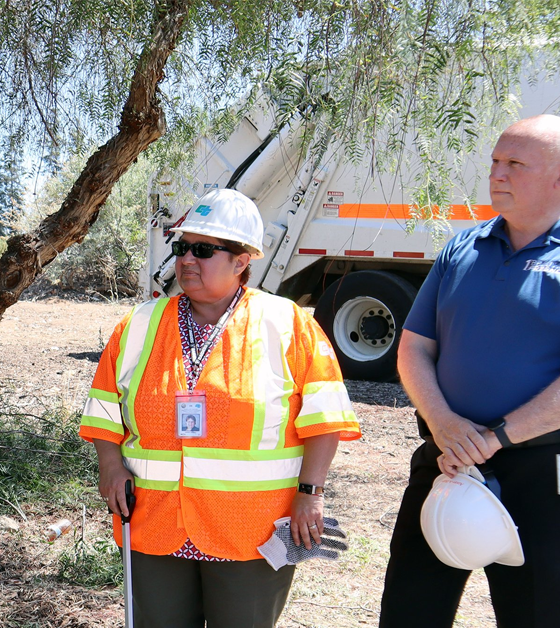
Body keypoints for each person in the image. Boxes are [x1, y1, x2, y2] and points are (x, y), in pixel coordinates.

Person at [80, 188, 361, 627]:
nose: (187, 259)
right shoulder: (136, 327)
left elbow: (324, 419)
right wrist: (110, 465)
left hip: (250, 530)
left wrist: (311, 495)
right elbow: (104, 410)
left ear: (243, 260)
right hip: (154, 524)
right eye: (182, 247)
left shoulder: (288, 324)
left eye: (204, 249)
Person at [379, 114, 560, 627]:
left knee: (535, 614)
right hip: (446, 460)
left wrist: (498, 437)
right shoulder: (463, 247)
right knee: (410, 611)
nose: (496, 174)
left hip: (539, 472)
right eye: (495, 162)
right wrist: (444, 425)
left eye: (515, 164)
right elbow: (414, 348)